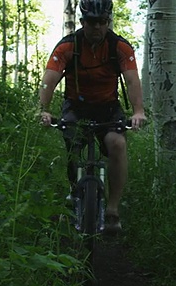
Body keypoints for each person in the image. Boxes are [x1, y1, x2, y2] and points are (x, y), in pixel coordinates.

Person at [39, 0, 146, 234]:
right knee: (73, 145)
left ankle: (112, 210)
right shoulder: (67, 46)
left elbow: (131, 80)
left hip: (107, 107)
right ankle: (73, 188)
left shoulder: (120, 47)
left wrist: (138, 111)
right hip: (76, 106)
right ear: (82, 22)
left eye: (102, 22)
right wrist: (43, 109)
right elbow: (50, 79)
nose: (96, 27)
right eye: (91, 22)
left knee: (117, 144)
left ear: (108, 21)